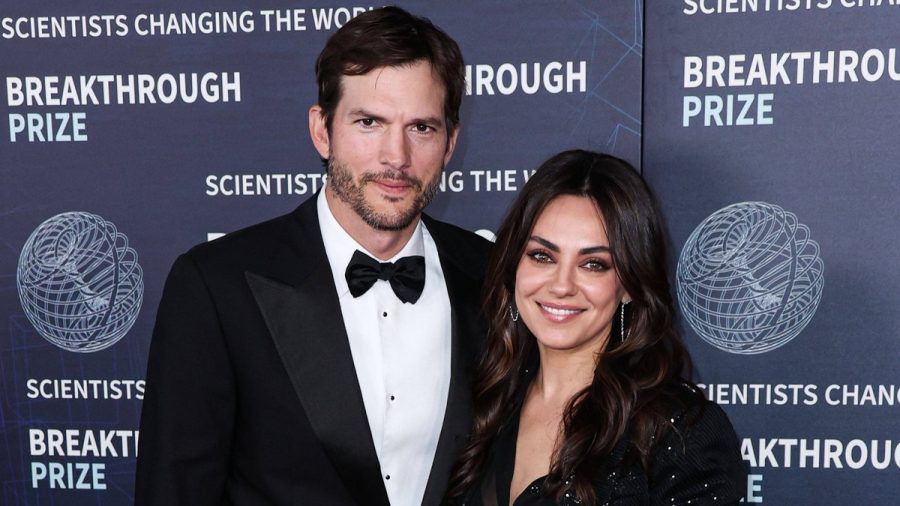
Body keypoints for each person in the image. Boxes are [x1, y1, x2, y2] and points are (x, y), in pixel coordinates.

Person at [135, 7, 491, 506]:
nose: (397, 156)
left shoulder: (494, 276)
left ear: (451, 142)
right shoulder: (217, 287)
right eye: (369, 122)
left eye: (422, 128)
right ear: (322, 130)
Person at [446, 150, 746, 505]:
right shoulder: (485, 402)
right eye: (542, 256)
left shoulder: (678, 432)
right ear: (514, 266)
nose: (561, 285)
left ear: (629, 287)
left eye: (593, 264)